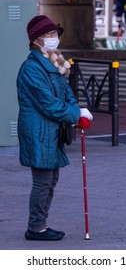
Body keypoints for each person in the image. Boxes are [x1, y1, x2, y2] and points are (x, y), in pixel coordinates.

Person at [16, 15, 93, 241]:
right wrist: (75, 114)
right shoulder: (31, 68)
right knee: (43, 181)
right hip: (39, 132)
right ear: (35, 40)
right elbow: (48, 104)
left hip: (51, 131)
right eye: (48, 35)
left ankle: (39, 224)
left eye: (55, 34)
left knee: (51, 180)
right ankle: (36, 228)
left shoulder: (55, 61)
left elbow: (66, 92)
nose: (54, 38)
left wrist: (76, 109)